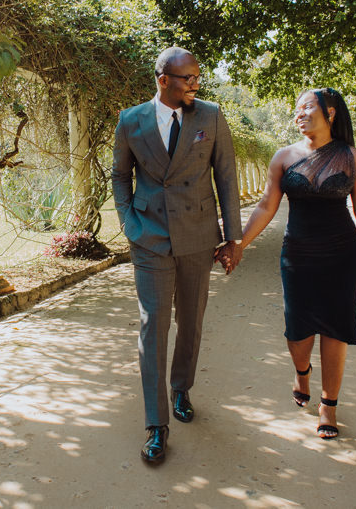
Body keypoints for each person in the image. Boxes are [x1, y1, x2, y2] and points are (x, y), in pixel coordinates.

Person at [236, 87, 356, 439]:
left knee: (335, 328)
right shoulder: (283, 157)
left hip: (342, 254)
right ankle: (302, 371)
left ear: (331, 112)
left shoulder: (353, 157)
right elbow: (266, 206)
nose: (300, 114)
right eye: (297, 109)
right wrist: (240, 244)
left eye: (307, 107)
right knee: (298, 329)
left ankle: (329, 406)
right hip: (298, 253)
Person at [111, 46, 243, 464]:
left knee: (191, 319)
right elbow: (119, 175)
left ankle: (181, 387)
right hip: (150, 236)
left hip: (198, 235)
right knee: (154, 324)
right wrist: (129, 223)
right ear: (162, 79)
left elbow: (226, 175)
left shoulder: (211, 115)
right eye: (187, 78)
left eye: (197, 77)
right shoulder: (131, 120)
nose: (195, 84)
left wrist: (232, 237)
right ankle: (156, 424)